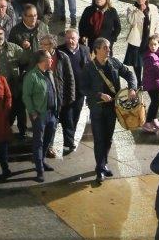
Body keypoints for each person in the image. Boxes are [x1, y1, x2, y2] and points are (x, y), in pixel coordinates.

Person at [81, 36, 137, 184]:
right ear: (97, 49)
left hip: (113, 108)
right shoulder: (89, 68)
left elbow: (129, 74)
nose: (108, 50)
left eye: (109, 48)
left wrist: (132, 88)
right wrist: (99, 94)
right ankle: (100, 169)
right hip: (97, 108)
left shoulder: (114, 62)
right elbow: (83, 88)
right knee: (99, 139)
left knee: (108, 138)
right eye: (105, 48)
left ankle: (103, 163)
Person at [22, 49, 59, 183]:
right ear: (42, 61)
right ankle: (39, 170)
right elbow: (26, 96)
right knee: (39, 142)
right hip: (40, 114)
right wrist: (33, 112)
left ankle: (42, 161)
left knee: (48, 140)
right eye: (49, 58)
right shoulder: (31, 76)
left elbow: (54, 92)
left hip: (51, 113)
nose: (52, 60)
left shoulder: (49, 73)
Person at [39, 33, 76, 158]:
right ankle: (49, 147)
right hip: (47, 96)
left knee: (67, 120)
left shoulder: (62, 56)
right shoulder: (38, 57)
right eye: (42, 44)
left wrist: (70, 96)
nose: (43, 47)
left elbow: (70, 77)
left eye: (46, 44)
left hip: (61, 94)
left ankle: (69, 142)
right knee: (52, 123)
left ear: (53, 45)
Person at [124, 0, 159, 87]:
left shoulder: (153, 8)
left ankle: (146, 79)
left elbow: (158, 22)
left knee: (148, 61)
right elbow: (131, 21)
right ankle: (139, 81)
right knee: (137, 63)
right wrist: (139, 11)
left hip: (149, 39)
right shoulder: (131, 9)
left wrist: (157, 33)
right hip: (136, 40)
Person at [60, 28, 90, 152]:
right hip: (65, 90)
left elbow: (89, 67)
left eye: (73, 38)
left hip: (80, 89)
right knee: (66, 115)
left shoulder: (85, 49)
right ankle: (69, 141)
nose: (70, 40)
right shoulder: (60, 51)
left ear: (78, 39)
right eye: (68, 38)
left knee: (76, 115)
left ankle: (70, 138)